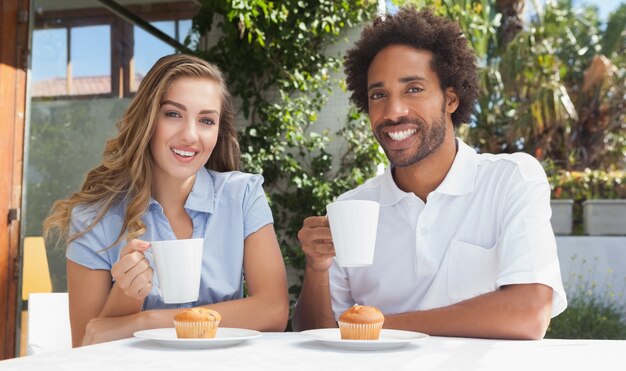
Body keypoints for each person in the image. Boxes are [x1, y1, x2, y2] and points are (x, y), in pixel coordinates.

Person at [292, 7, 567, 339]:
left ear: (450, 99)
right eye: (379, 95)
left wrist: (374, 328)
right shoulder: (354, 207)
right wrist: (317, 269)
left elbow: (529, 313)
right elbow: (313, 336)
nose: (393, 112)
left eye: (413, 89)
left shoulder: (510, 180)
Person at [44, 54, 289, 346]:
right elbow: (89, 344)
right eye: (173, 114)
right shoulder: (94, 217)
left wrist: (148, 321)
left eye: (206, 120)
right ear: (149, 118)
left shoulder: (243, 195)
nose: (189, 135)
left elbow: (273, 310)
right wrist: (127, 293)